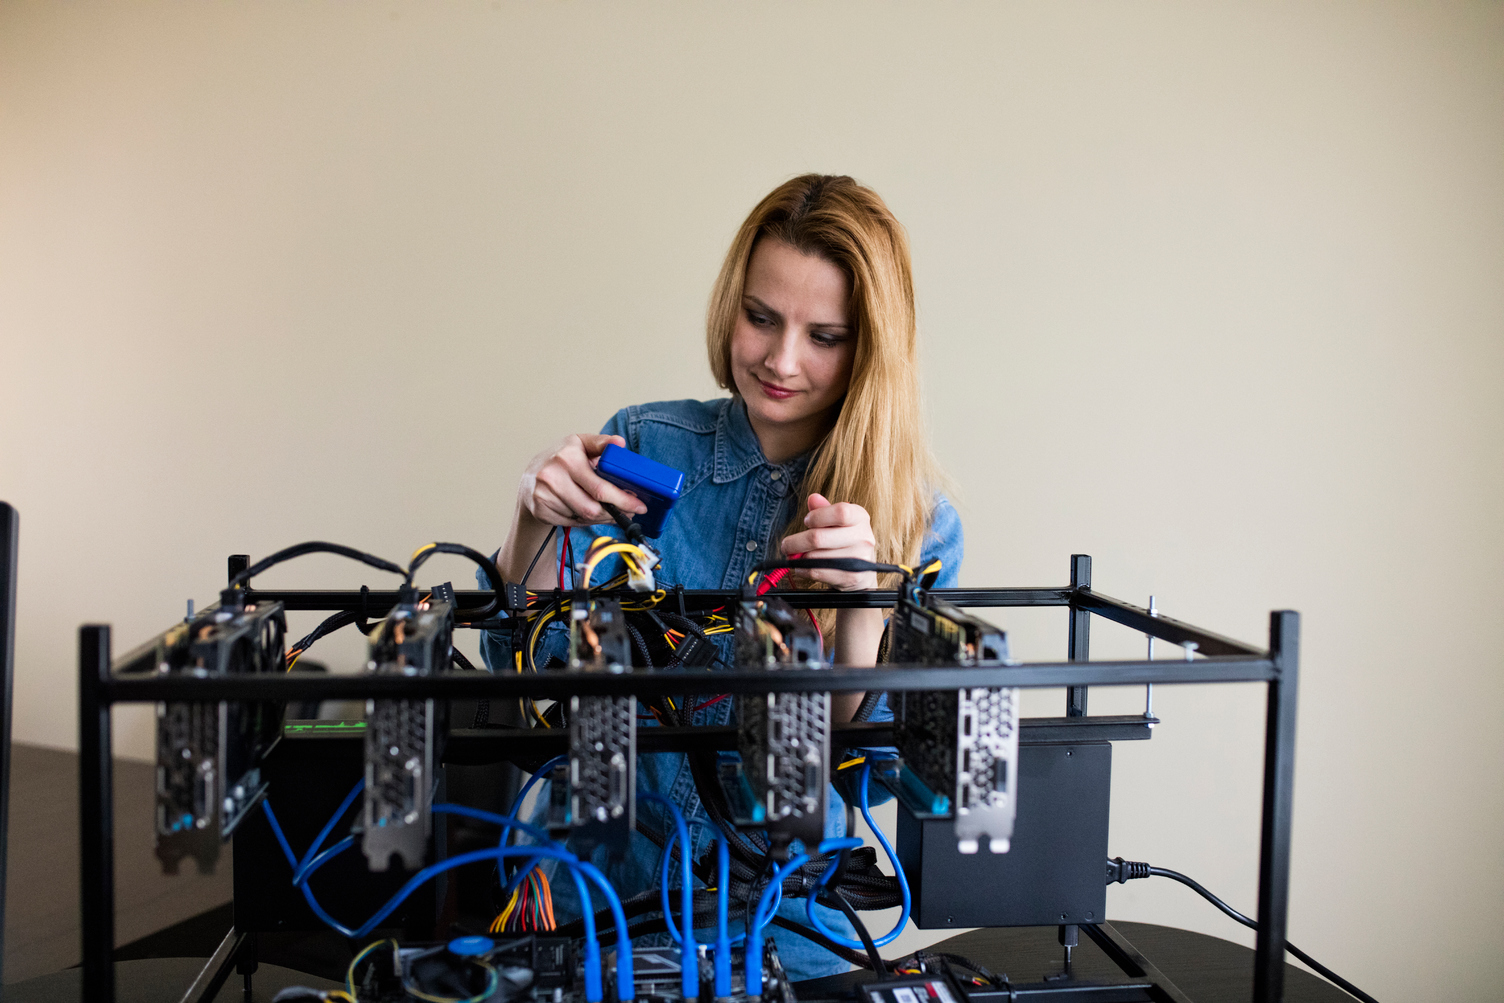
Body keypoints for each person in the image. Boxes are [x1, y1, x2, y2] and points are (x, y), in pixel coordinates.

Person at [480, 174, 963, 979]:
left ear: (871, 347)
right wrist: (530, 520)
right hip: (594, 903)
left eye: (825, 336)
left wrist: (862, 608)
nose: (781, 360)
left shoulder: (917, 522)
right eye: (761, 317)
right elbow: (522, 676)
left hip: (791, 933)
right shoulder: (643, 443)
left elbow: (877, 781)